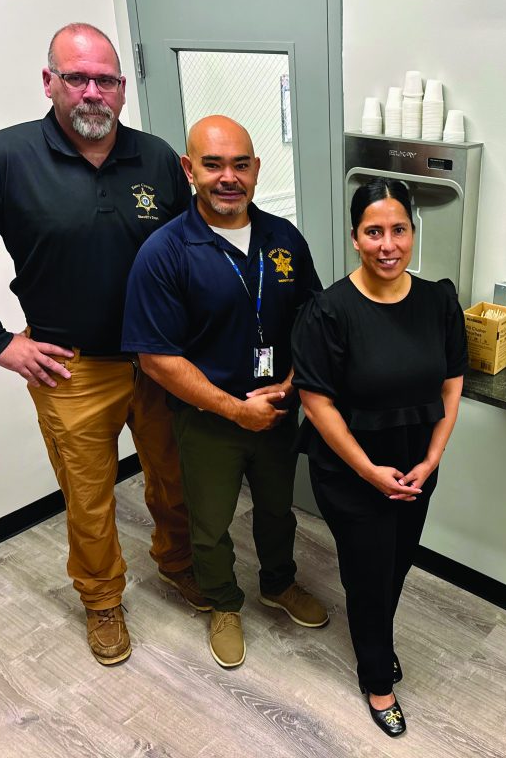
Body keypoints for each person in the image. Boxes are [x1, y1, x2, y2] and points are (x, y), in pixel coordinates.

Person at [0, 23, 203, 666]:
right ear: (49, 82)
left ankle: (180, 565)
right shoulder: (1, 160)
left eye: (105, 79)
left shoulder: (157, 158)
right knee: (90, 498)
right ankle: (102, 601)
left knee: (173, 479)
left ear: (123, 89)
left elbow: (189, 254)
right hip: (72, 370)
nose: (92, 93)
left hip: (159, 360)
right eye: (77, 78)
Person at [122, 115, 329, 670]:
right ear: (190, 170)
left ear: (257, 169)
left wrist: (290, 386)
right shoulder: (165, 252)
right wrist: (236, 410)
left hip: (280, 410)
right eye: (212, 165)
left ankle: (278, 584)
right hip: (209, 419)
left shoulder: (284, 238)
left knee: (276, 510)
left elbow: (313, 318)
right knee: (209, 523)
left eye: (240, 164)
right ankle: (223, 601)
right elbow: (156, 358)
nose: (228, 177)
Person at [291, 178, 467, 737]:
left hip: (416, 466)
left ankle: (377, 639)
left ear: (413, 233)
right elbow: (316, 402)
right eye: (374, 232)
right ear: (355, 237)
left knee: (394, 566)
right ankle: (377, 680)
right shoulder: (329, 311)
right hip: (350, 472)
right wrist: (368, 470)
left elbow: (451, 384)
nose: (387, 244)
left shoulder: (438, 299)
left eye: (398, 230)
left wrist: (433, 457)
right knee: (368, 575)